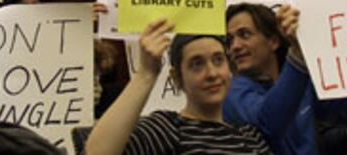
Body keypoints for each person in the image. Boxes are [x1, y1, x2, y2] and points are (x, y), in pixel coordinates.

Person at [85, 19, 272, 154]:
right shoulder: (168, 128)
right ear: (176, 78)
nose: (212, 73)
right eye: (196, 64)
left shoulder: (249, 135)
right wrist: (146, 74)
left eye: (218, 60)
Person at [223, 3, 347, 155]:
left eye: (244, 34)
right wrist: (297, 54)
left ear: (273, 42)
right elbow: (270, 122)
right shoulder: (231, 93)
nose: (235, 46)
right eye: (230, 40)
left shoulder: (300, 84)